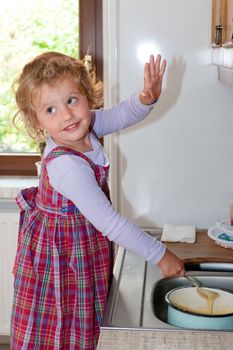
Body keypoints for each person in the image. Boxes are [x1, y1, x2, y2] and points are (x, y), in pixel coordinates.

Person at [11, 51, 184, 349]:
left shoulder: (86, 129)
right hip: (61, 261)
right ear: (37, 121)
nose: (66, 115)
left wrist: (146, 97)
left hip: (81, 248)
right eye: (50, 110)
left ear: (86, 97)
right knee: (59, 327)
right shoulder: (67, 166)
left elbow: (122, 114)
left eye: (71, 100)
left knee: (81, 321)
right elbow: (112, 224)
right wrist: (161, 255)